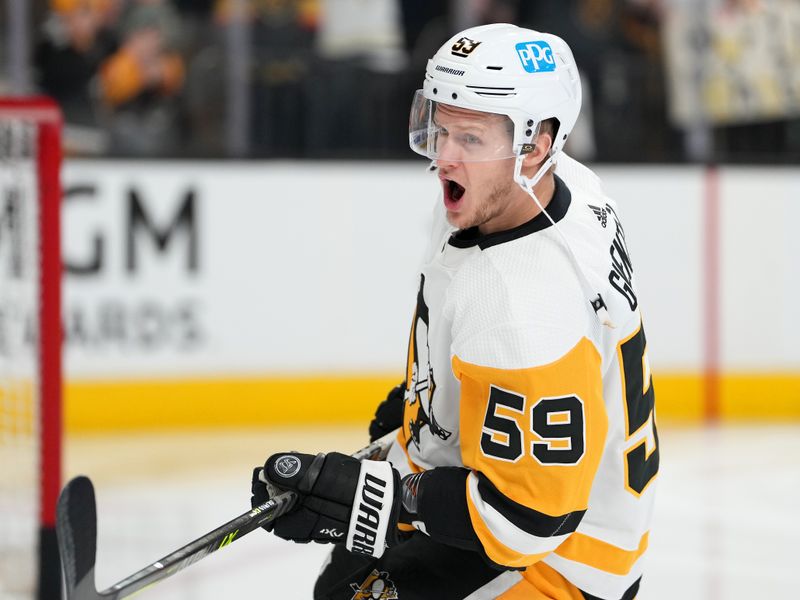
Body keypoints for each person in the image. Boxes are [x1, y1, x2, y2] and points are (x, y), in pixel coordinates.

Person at [251, 23, 658, 600]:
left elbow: (527, 519)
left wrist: (379, 496)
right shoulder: (555, 187)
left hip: (558, 562)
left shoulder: (524, 304)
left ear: (536, 144)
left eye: (470, 137)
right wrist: (426, 408)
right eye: (438, 127)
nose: (443, 157)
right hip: (543, 504)